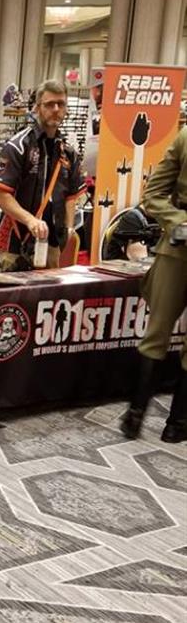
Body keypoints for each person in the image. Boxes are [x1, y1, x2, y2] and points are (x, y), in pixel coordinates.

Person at [120, 127, 187, 443]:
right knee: (156, 333)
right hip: (178, 249)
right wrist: (179, 222)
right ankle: (135, 415)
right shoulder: (185, 137)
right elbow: (154, 194)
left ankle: (178, 423)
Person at [0, 79, 86, 271]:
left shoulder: (68, 152)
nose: (56, 109)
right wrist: (30, 220)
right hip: (18, 240)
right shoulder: (18, 146)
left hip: (52, 243)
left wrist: (68, 228)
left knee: (48, 289)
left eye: (61, 104)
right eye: (49, 104)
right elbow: (1, 195)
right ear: (37, 108)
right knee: (13, 289)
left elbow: (71, 196)